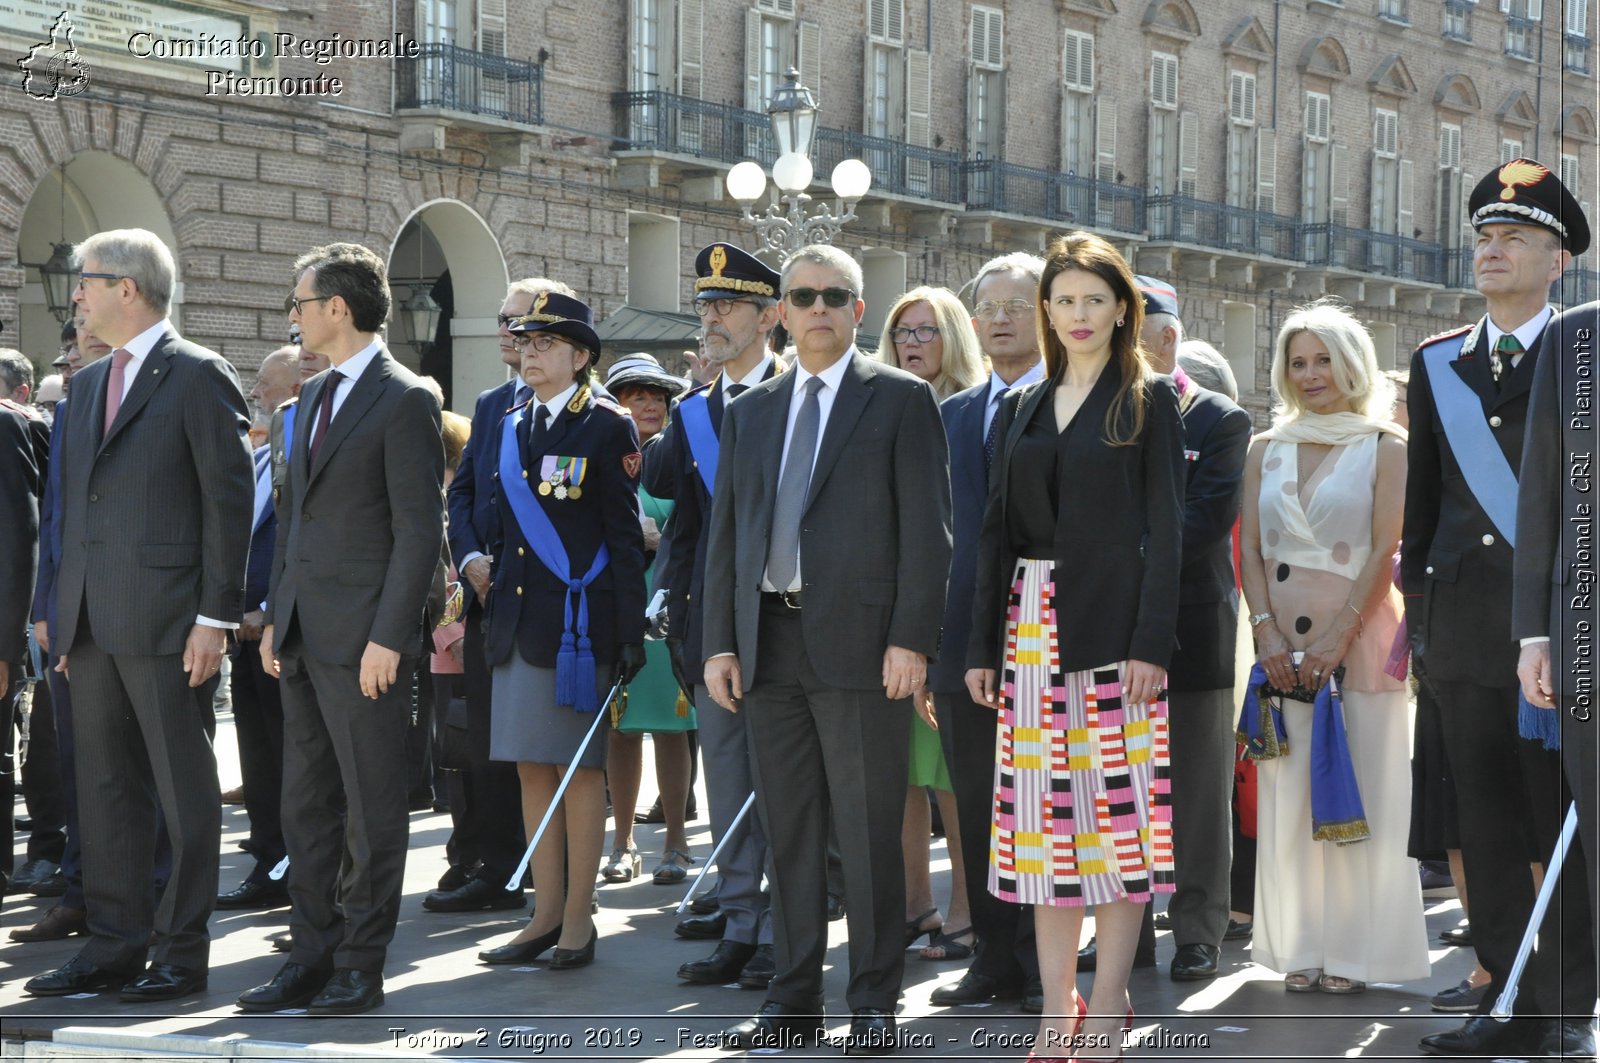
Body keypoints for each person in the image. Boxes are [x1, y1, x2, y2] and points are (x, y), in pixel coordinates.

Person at [705, 244, 952, 1054]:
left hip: (863, 645)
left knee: (871, 829)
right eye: (803, 295)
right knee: (790, 830)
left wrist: (912, 638)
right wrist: (719, 643)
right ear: (781, 311)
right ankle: (794, 1000)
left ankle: (875, 999)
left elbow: (929, 534)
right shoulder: (749, 410)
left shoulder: (902, 399)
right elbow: (727, 540)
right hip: (767, 643)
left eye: (834, 296)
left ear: (857, 311)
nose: (817, 308)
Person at [965, 231, 1183, 1061]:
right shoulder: (1023, 402)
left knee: (1117, 827)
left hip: (1114, 632)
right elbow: (991, 532)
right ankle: (1060, 1008)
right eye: (1064, 301)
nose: (1078, 314)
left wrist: (1151, 643)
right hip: (1026, 626)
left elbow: (1166, 534)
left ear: (1122, 308)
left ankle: (1112, 1000)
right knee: (1040, 829)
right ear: (1046, 312)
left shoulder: (1149, 398)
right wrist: (982, 645)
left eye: (1095, 299)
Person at [25, 228, 253, 1002]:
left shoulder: (198, 374)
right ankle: (113, 945)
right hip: (89, 626)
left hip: (168, 624)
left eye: (84, 279)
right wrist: (57, 609)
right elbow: (69, 510)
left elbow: (228, 505)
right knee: (106, 794)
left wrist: (215, 618)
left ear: (128, 286)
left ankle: (181, 954)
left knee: (184, 800)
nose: (76, 293)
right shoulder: (86, 386)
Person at [1406, 159, 1596, 1059]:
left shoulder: (1586, 353)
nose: (1492, 252)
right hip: (1466, 628)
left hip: (1562, 623)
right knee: (1481, 818)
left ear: (1557, 261)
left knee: (1562, 818)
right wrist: (1425, 623)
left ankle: (1563, 1000)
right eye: (1484, 238)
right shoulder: (1437, 363)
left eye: (1514, 238)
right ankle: (1505, 991)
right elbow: (1424, 506)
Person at [239, 242, 445, 1017]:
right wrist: (274, 616)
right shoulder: (303, 404)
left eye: (299, 302)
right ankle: (311, 953)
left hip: (367, 645)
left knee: (371, 805)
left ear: (337, 308)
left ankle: (362, 961)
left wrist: (390, 638)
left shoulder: (405, 397)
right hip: (299, 637)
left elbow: (419, 530)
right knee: (305, 807)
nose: (292, 315)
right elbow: (293, 526)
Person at [1238, 300, 1427, 994]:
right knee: (1289, 806)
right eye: (1298, 361)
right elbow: (1251, 549)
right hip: (1281, 651)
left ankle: (1354, 950)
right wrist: (1264, 630)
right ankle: (1302, 945)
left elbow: (1386, 548)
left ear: (1352, 365)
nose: (1311, 374)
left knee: (1365, 799)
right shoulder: (1264, 447)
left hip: (1361, 643)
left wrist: (1342, 635)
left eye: (1323, 359)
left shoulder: (1387, 445)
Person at [474, 291, 646, 971]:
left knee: (580, 773)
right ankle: (542, 913)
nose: (531, 352)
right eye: (526, 339)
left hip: (579, 631)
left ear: (580, 356)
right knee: (529, 767)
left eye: (546, 343)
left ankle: (578, 919)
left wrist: (628, 630)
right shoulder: (514, 421)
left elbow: (624, 537)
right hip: (519, 622)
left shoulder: (607, 425)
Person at [644, 241, 785, 990]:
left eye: (726, 305)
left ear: (768, 317)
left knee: (786, 785)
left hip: (786, 620)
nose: (712, 318)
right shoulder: (697, 409)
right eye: (705, 305)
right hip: (714, 625)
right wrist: (686, 404)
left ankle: (785, 929)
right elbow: (670, 494)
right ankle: (738, 920)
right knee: (728, 777)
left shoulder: (799, 392)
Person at [431, 278, 575, 914]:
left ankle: (550, 877)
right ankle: (494, 864)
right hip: (489, 598)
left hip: (551, 606)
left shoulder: (584, 412)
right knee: (489, 739)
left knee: (545, 749)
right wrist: (468, 559)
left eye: (524, 323)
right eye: (503, 320)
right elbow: (461, 495)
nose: (509, 334)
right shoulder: (492, 405)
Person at [928, 252, 1048, 1012]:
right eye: (990, 306)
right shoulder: (951, 414)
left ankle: (1048, 961)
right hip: (958, 647)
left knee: (1044, 804)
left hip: (1048, 637)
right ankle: (993, 955)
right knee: (978, 806)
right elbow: (930, 538)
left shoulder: (1073, 404)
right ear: (974, 324)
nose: (1001, 317)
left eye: (1018, 303)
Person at [1129, 277, 1253, 984]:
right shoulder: (1095, 411)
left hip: (1191, 630)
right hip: (1109, 631)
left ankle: (1198, 928)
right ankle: (1128, 926)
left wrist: (1115, 559)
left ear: (1166, 337)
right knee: (1120, 784)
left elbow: (1204, 524)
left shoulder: (1217, 419)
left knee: (1198, 793)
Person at [880, 285, 984, 964]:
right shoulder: (880, 404)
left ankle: (965, 911)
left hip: (951, 613)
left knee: (952, 775)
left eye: (927, 330)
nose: (912, 343)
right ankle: (914, 902)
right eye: (902, 332)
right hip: (883, 615)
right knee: (900, 776)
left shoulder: (971, 411)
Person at [598, 352, 697, 886]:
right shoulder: (600, 453)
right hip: (616, 604)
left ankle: (677, 843)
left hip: (669, 605)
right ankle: (622, 841)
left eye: (658, 395)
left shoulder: (678, 456)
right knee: (621, 727)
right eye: (636, 395)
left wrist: (664, 539)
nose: (649, 403)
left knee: (673, 727)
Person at [215, 346, 300, 912]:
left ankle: (301, 870)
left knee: (294, 759)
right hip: (240, 635)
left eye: (264, 385)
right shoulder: (257, 459)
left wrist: (268, 609)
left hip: (284, 632)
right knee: (259, 757)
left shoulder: (303, 456)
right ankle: (270, 862)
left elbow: (304, 543)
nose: (256, 395)